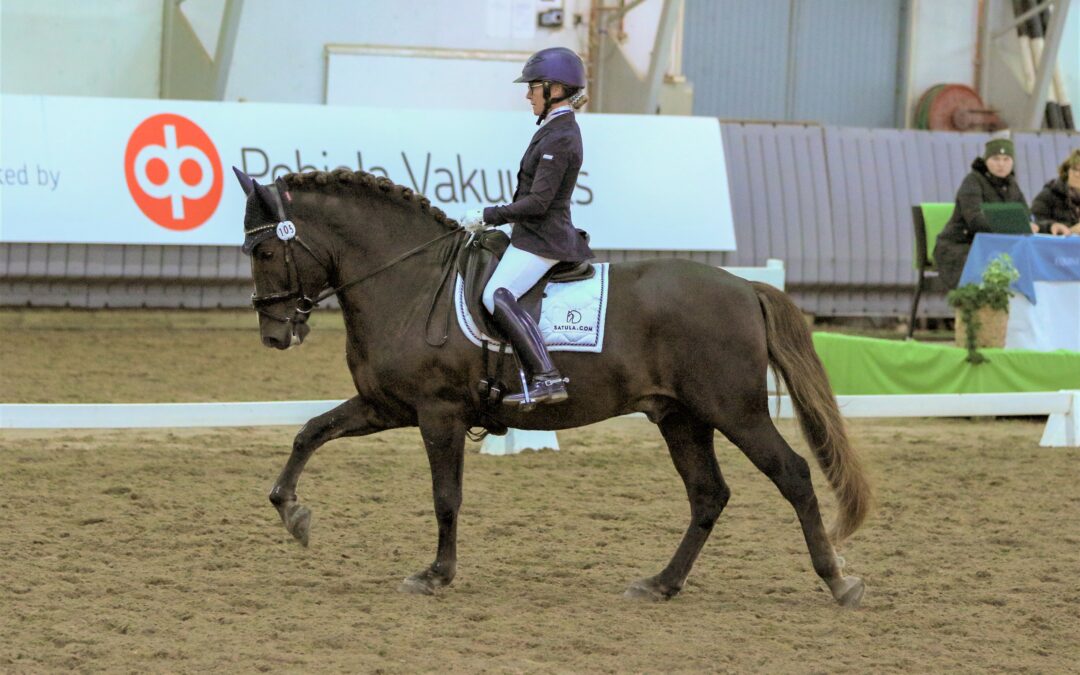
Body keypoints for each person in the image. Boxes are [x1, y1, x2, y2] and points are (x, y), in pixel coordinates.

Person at [459, 47, 594, 408]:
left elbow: (538, 203)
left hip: (544, 238)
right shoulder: (553, 130)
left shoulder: (562, 136)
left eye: (533, 87)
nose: (527, 95)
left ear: (554, 89)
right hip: (532, 234)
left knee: (497, 294)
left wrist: (489, 215)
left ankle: (547, 377)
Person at [933, 137, 1028, 289]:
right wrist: (1014, 225)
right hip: (960, 246)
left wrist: (1046, 226)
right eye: (996, 159)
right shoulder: (972, 181)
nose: (1001, 164)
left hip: (993, 247)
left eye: (1006, 159)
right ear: (986, 161)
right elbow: (975, 219)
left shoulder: (1012, 185)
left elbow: (1025, 216)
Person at [1031, 148, 1080, 236]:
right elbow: (1035, 223)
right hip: (1055, 247)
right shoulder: (1048, 195)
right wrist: (1070, 230)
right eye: (1074, 169)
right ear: (1067, 170)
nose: (1077, 174)